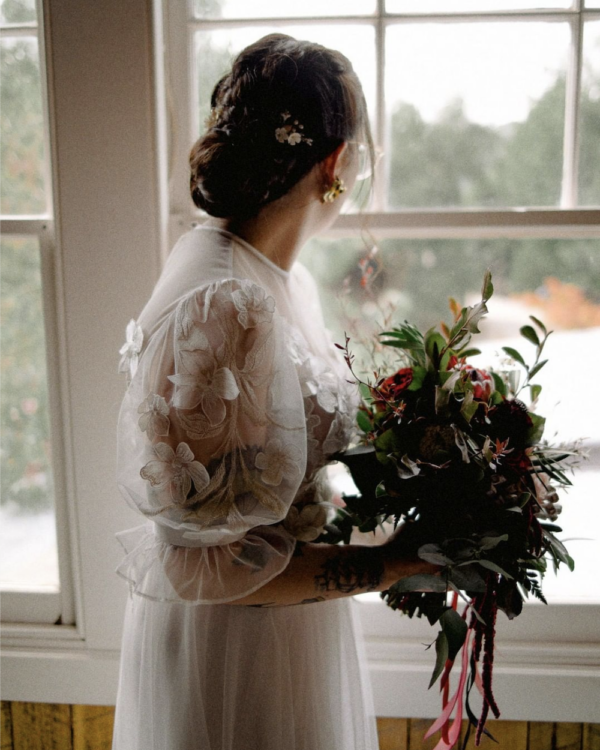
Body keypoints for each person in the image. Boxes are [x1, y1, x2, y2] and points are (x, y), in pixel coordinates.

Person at [112, 33, 435, 750]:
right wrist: (401, 563)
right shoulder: (224, 300)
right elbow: (205, 566)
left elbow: (274, 477)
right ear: (333, 165)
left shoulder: (279, 279)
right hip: (235, 654)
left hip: (294, 627)